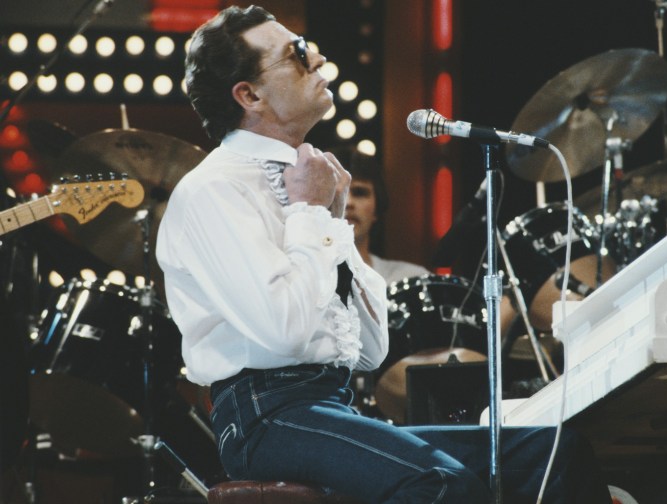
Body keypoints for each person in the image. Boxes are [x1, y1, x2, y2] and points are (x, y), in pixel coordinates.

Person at [156, 5, 611, 503]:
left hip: (333, 404)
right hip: (266, 418)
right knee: (438, 482)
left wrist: (331, 220)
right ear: (249, 94)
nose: (318, 57)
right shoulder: (213, 190)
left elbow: (370, 349)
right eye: (298, 54)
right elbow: (281, 330)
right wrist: (312, 214)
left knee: (554, 452)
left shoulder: (311, 180)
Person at [333, 146, 430, 284]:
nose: (348, 202)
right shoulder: (295, 280)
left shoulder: (411, 280)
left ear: (377, 209)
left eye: (360, 192)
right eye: (338, 193)